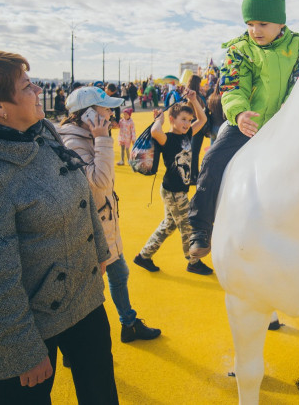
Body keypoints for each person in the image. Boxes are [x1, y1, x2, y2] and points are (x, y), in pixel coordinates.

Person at [0, 51, 119, 404]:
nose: (38, 90)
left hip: (84, 299)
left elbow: (81, 195)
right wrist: (20, 352)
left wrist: (99, 250)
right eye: (26, 86)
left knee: (100, 391)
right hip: (32, 325)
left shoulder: (42, 132)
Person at [188, 0, 299, 258]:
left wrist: (292, 106)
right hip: (248, 125)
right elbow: (233, 86)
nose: (255, 30)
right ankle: (200, 227)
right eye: (250, 24)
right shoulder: (239, 49)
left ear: (280, 22)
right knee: (212, 160)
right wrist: (239, 112)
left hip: (288, 125)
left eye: (263, 24)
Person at [59, 87, 161, 345]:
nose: (110, 113)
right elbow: (100, 180)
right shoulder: (73, 142)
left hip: (105, 224)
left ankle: (128, 323)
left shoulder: (87, 136)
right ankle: (77, 347)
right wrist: (102, 137)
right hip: (90, 231)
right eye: (105, 108)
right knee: (87, 289)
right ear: (88, 114)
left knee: (119, 273)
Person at [134, 92, 212, 275]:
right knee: (187, 226)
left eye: (189, 120)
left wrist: (194, 100)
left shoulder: (188, 134)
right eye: (183, 119)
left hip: (178, 190)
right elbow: (155, 132)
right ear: (172, 119)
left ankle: (144, 256)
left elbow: (202, 119)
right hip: (173, 192)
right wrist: (159, 120)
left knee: (168, 225)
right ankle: (193, 261)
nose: (187, 123)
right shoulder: (167, 138)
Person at [187, 73, 209, 183]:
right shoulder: (193, 97)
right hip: (197, 123)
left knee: (194, 151)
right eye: (199, 83)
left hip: (196, 123)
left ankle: (194, 174)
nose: (201, 85)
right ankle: (193, 175)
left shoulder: (195, 95)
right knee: (194, 151)